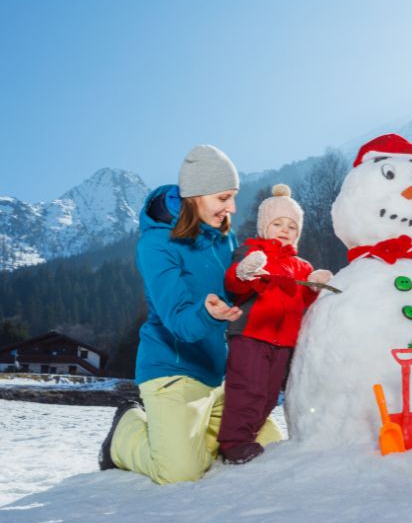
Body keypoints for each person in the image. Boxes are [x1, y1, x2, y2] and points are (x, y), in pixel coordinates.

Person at [98, 144, 278, 484]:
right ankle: (125, 431)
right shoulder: (155, 245)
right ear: (195, 195)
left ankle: (189, 438)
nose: (232, 208)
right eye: (224, 198)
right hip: (172, 371)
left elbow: (231, 293)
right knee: (180, 473)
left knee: (268, 444)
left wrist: (250, 281)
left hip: (216, 372)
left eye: (233, 197)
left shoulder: (224, 237)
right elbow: (179, 320)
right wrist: (209, 314)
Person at [217, 185, 332, 464]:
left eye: (292, 226)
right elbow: (235, 285)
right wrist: (244, 273)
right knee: (248, 388)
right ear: (264, 226)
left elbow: (303, 300)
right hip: (252, 335)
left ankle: (248, 436)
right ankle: (234, 444)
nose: (284, 230)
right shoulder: (253, 253)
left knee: (269, 394)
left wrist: (316, 286)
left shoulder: (301, 266)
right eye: (277, 223)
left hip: (283, 342)